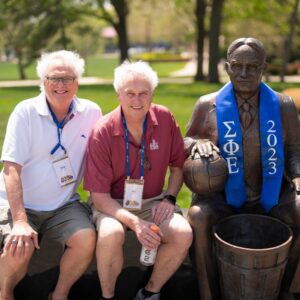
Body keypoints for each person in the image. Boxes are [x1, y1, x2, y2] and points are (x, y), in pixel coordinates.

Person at [184, 37, 300, 300]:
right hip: (221, 196)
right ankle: (208, 294)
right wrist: (198, 143)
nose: (244, 73)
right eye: (237, 66)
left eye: (252, 67)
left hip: (270, 193)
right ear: (227, 67)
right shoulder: (207, 104)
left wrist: (298, 175)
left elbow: (295, 149)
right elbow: (184, 141)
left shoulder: (283, 106)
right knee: (198, 216)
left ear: (263, 68)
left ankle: (284, 290)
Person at [84, 61, 193, 300]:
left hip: (153, 200)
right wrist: (135, 223)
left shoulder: (164, 118)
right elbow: (99, 198)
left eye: (144, 93)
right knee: (111, 233)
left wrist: (170, 198)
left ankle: (148, 293)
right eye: (130, 93)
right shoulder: (102, 131)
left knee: (182, 233)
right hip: (111, 204)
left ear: (152, 94)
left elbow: (178, 166)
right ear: (118, 94)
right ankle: (108, 296)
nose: (137, 100)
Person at [0, 50, 102, 300]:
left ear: (77, 82)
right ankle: (5, 294)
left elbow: (102, 158)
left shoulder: (91, 112)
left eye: (68, 78)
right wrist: (21, 221)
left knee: (86, 239)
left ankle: (59, 295)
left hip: (63, 205)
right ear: (43, 81)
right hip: (21, 204)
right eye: (54, 78)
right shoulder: (25, 112)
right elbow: (10, 169)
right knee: (18, 246)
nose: (60, 85)